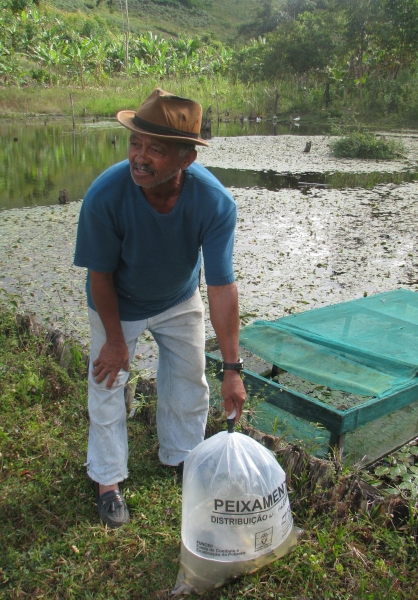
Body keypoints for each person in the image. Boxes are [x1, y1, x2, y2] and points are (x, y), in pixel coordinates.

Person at [74, 88, 246, 528]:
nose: (140, 157)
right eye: (135, 143)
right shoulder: (105, 196)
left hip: (178, 298)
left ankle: (183, 458)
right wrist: (115, 341)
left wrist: (232, 368)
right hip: (119, 301)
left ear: (187, 158)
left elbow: (221, 286)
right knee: (108, 383)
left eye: (155, 149)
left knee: (189, 381)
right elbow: (100, 277)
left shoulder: (214, 202)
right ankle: (108, 481)